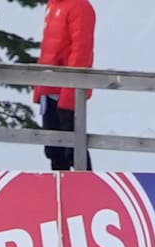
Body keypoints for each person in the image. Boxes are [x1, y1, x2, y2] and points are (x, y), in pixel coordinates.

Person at [32, 0, 96, 170]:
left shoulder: (79, 7)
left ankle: (87, 189)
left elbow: (81, 51)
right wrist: (41, 87)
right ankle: (57, 192)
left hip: (67, 89)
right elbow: (48, 50)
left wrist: (71, 90)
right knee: (53, 149)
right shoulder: (53, 5)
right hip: (50, 87)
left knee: (74, 149)